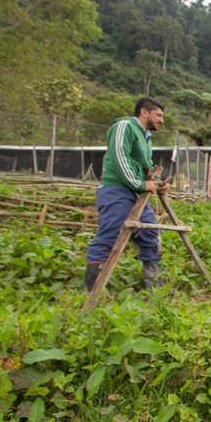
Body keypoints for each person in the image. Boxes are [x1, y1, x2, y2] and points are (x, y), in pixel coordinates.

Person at [83, 96, 171, 291]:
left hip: (136, 194)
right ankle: (91, 291)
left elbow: (144, 170)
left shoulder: (146, 138)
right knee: (109, 237)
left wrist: (157, 184)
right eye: (158, 115)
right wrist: (140, 184)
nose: (161, 120)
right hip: (117, 191)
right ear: (144, 112)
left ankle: (154, 288)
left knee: (150, 234)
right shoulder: (125, 126)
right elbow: (119, 156)